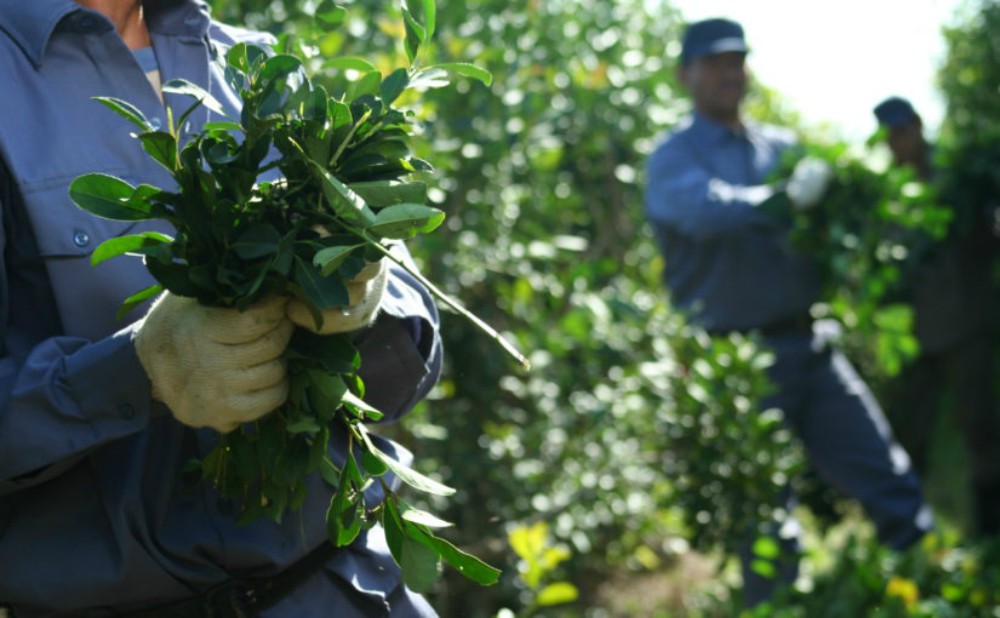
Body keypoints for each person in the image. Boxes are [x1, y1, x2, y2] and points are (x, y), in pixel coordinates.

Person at [0, 1, 443, 616]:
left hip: (347, 587)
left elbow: (407, 369)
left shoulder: (258, 65)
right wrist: (135, 372)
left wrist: (364, 303)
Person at [644, 18, 933, 606]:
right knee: (766, 523)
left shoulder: (784, 149)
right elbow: (705, 210)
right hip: (738, 358)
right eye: (716, 62)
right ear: (686, 75)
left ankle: (930, 585)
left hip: (811, 345)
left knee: (885, 474)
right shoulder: (673, 158)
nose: (731, 72)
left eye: (738, 60)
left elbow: (834, 220)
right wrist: (778, 200)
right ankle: (777, 605)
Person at [873, 96, 1000, 537]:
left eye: (902, 131)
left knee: (981, 425)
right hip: (918, 334)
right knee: (910, 430)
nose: (898, 143)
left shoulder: (961, 180)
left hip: (968, 324)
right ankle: (910, 527)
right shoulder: (888, 194)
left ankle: (988, 528)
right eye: (890, 136)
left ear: (919, 126)